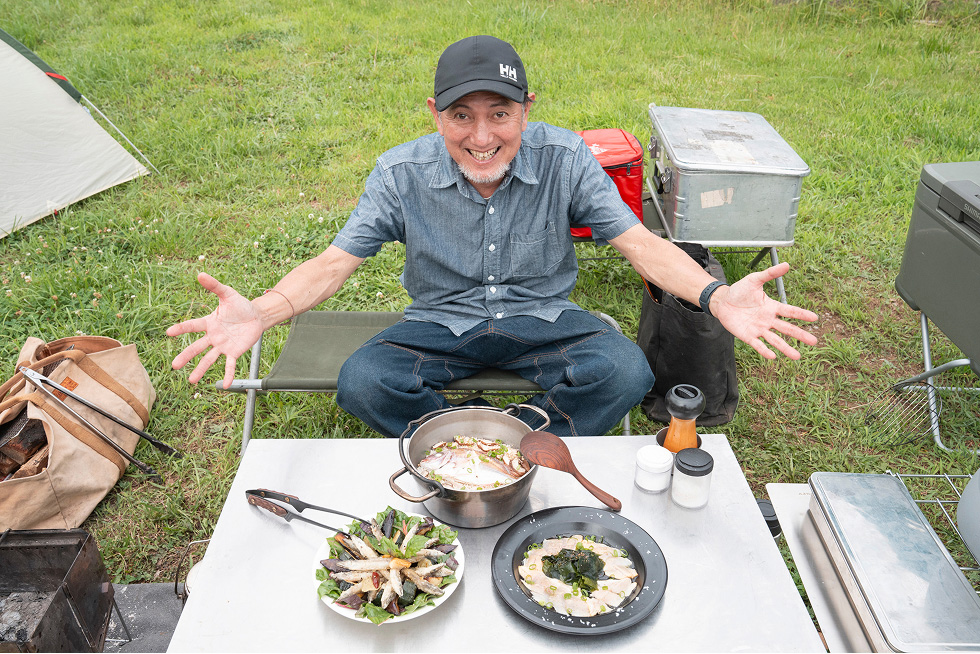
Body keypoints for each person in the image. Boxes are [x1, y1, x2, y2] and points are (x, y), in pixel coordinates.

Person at [167, 35, 818, 438]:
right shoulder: (401, 173)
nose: (481, 138)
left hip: (547, 322)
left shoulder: (566, 160)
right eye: (461, 117)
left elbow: (641, 244)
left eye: (499, 115)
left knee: (624, 371)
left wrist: (714, 297)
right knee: (363, 381)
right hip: (437, 326)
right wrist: (265, 309)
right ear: (435, 114)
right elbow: (336, 262)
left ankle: (512, 435)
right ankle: (481, 435)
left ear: (526, 108)